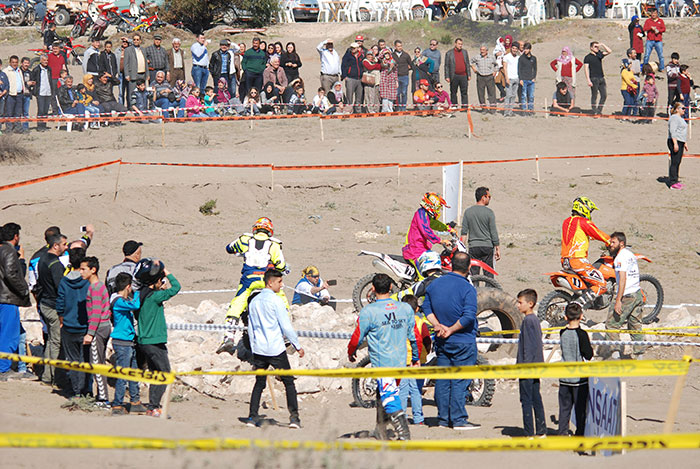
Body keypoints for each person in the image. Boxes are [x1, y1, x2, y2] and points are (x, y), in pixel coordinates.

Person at [347, 273, 417, 440]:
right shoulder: (405, 308)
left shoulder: (368, 311)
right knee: (384, 394)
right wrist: (415, 357)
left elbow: (357, 337)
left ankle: (404, 432)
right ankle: (380, 429)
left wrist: (351, 351)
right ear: (391, 287)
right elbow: (414, 336)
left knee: (389, 397)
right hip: (400, 361)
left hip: (382, 362)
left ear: (372, 289)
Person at [422, 252, 480, 430]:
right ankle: (458, 419)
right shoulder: (468, 288)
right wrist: (451, 329)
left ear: (451, 265)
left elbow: (426, 307)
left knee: (443, 380)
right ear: (469, 267)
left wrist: (438, 325)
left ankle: (442, 418)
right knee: (459, 380)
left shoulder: (435, 284)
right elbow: (469, 316)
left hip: (442, 340)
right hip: (462, 340)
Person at [244, 269, 304, 428]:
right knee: (289, 383)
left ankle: (252, 417)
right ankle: (294, 418)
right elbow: (286, 326)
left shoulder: (254, 301)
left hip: (259, 350)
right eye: (279, 282)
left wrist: (253, 346)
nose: (282, 285)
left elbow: (251, 328)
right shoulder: (276, 301)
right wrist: (297, 346)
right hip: (275, 349)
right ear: (270, 282)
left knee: (259, 383)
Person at [217, 218, 287, 355]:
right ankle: (284, 333)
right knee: (281, 300)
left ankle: (229, 335)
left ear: (255, 228)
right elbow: (281, 265)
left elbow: (229, 248)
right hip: (267, 281)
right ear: (270, 231)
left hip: (249, 280)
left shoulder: (245, 239)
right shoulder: (274, 245)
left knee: (238, 302)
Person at [133, 259, 180, 416]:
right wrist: (166, 272)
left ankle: (153, 406)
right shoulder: (155, 297)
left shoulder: (141, 296)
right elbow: (177, 288)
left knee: (155, 373)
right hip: (155, 341)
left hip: (144, 341)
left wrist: (159, 286)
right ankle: (153, 406)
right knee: (165, 373)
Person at [109, 272, 148, 415]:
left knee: (133, 373)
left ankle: (135, 401)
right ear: (128, 286)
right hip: (122, 342)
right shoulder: (118, 301)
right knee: (123, 374)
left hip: (128, 341)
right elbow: (135, 304)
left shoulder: (119, 300)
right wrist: (138, 292)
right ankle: (117, 405)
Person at [561, 197, 610, 307]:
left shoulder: (566, 222)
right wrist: (611, 241)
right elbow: (598, 233)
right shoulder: (583, 222)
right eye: (590, 211)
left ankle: (583, 300)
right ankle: (578, 305)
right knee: (602, 284)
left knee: (588, 284)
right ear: (584, 209)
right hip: (577, 261)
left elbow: (579, 236)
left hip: (565, 261)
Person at [603, 232, 646, 358]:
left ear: (621, 243)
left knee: (611, 324)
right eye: (610, 242)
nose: (610, 245)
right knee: (635, 325)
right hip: (636, 292)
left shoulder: (620, 257)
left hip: (627, 295)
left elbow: (622, 279)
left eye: (613, 242)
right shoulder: (629, 254)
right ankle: (639, 355)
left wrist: (618, 300)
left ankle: (615, 355)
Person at [56, 246, 90, 398]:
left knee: (73, 360)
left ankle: (76, 391)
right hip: (85, 327)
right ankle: (85, 390)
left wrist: (62, 320)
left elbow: (60, 304)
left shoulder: (64, 281)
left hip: (69, 327)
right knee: (85, 361)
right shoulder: (88, 282)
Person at [79, 256, 111, 406]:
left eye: (83, 269)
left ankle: (103, 398)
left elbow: (96, 313)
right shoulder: (97, 287)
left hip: (98, 329)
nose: (81, 272)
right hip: (103, 327)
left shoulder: (96, 288)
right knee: (100, 362)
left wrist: (90, 333)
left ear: (93, 270)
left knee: (96, 363)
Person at [0, 223, 31, 379]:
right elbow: (11, 274)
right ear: (15, 236)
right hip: (7, 299)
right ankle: (3, 368)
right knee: (9, 335)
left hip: (3, 298)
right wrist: (24, 289)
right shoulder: (9, 252)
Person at [558, 303, 593, 436]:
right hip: (579, 379)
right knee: (580, 410)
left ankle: (562, 434)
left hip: (564, 377)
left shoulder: (562, 332)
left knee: (564, 409)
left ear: (566, 317)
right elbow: (588, 354)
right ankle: (580, 434)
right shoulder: (582, 334)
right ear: (581, 316)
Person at [516, 289, 546, 437]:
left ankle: (529, 433)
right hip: (535, 367)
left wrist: (524, 368)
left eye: (520, 302)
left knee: (526, 401)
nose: (518, 305)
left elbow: (528, 347)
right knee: (536, 399)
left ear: (530, 303)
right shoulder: (533, 320)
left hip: (528, 368)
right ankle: (541, 431)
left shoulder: (528, 321)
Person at [397, 295, 430, 426]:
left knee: (402, 390)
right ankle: (418, 418)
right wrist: (426, 353)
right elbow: (426, 339)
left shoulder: (397, 322)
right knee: (416, 390)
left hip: (402, 360)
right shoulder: (420, 322)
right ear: (417, 309)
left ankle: (403, 417)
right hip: (418, 362)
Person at [402, 192, 451, 276]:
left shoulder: (425, 215)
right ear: (431, 206)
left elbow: (434, 224)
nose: (438, 210)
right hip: (415, 250)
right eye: (438, 208)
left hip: (422, 249)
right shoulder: (421, 214)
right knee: (424, 277)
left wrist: (448, 228)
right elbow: (426, 231)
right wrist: (441, 241)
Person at [460, 187, 500, 278]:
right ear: (483, 197)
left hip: (474, 247)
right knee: (489, 274)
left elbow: (464, 232)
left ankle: (475, 291)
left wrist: (462, 247)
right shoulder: (489, 212)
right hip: (487, 246)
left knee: (474, 275)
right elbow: (493, 232)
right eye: (488, 196)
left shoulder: (468, 212)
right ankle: (490, 291)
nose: (489, 199)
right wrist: (497, 247)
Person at [584, 41, 611, 115]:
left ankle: (599, 110)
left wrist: (602, 44)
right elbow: (586, 69)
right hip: (593, 78)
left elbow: (609, 51)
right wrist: (588, 80)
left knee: (604, 95)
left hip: (601, 78)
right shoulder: (587, 57)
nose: (597, 48)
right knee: (594, 95)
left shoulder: (599, 54)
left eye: (597, 47)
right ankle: (594, 111)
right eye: (595, 47)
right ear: (591, 48)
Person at [471, 45, 499, 112]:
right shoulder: (477, 57)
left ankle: (493, 109)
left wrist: (495, 71)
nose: (482, 51)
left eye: (483, 50)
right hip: (480, 77)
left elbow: (496, 65)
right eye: (481, 49)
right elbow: (470, 62)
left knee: (492, 94)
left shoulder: (491, 57)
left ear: (487, 50)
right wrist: (473, 68)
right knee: (481, 94)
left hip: (489, 77)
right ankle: (484, 109)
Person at [667, 102, 688, 190]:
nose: (684, 110)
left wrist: (685, 143)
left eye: (684, 108)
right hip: (674, 141)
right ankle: (672, 182)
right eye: (682, 108)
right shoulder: (674, 118)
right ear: (677, 109)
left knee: (678, 161)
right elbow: (673, 131)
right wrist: (675, 143)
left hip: (680, 141)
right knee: (674, 161)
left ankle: (676, 179)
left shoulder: (680, 118)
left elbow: (681, 131)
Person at [30, 54, 54, 131]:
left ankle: (44, 125)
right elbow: (33, 80)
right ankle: (39, 126)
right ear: (40, 61)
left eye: (47, 60)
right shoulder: (36, 69)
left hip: (48, 92)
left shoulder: (49, 69)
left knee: (46, 111)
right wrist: (34, 91)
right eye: (44, 60)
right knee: (41, 110)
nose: (45, 62)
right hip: (40, 92)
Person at [444, 38, 470, 108]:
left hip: (464, 75)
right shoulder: (449, 53)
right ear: (455, 44)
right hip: (454, 75)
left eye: (461, 44)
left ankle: (464, 107)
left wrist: (469, 74)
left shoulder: (465, 52)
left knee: (464, 92)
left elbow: (467, 63)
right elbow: (446, 66)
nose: (460, 46)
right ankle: (454, 106)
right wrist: (447, 76)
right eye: (459, 44)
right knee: (453, 92)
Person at [4, 55, 25, 132]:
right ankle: (9, 128)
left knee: (18, 112)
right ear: (10, 62)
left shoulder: (19, 70)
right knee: (9, 112)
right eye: (13, 62)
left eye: (16, 62)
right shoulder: (6, 71)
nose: (14, 64)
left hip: (19, 94)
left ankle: (17, 128)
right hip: (10, 94)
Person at [341, 43, 364, 114]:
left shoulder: (361, 56)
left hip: (360, 79)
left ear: (357, 48)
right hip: (350, 78)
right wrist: (345, 77)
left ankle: (358, 111)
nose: (353, 49)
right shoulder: (347, 55)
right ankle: (349, 111)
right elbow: (343, 66)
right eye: (351, 48)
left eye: (354, 48)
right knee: (349, 96)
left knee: (359, 97)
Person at [123, 33, 147, 99]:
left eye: (137, 39)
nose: (136, 41)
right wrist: (127, 75)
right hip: (133, 75)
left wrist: (147, 74)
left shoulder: (143, 49)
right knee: (132, 93)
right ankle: (131, 107)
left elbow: (145, 62)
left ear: (140, 41)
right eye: (134, 39)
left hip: (142, 75)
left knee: (142, 93)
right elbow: (126, 63)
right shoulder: (128, 50)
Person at [392, 40, 412, 111]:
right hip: (396, 77)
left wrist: (406, 69)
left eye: (401, 46)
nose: (400, 47)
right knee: (397, 93)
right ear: (395, 46)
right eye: (398, 46)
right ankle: (397, 108)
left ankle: (403, 108)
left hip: (404, 76)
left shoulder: (406, 55)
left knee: (404, 93)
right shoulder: (392, 55)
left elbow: (411, 64)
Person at [517, 43, 537, 115]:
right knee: (524, 95)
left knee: (531, 96)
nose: (525, 50)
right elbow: (519, 69)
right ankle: (524, 110)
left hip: (531, 80)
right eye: (524, 49)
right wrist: (521, 79)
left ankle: (531, 109)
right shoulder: (521, 58)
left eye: (527, 49)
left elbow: (535, 69)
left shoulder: (533, 58)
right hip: (524, 79)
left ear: (530, 49)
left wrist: (534, 77)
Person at [502, 43, 519, 117]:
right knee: (508, 95)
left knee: (514, 95)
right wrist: (506, 78)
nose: (514, 50)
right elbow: (504, 68)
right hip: (510, 78)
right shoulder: (506, 57)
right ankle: (506, 112)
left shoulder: (518, 57)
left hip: (517, 78)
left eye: (516, 48)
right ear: (511, 48)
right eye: (513, 48)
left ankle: (511, 111)